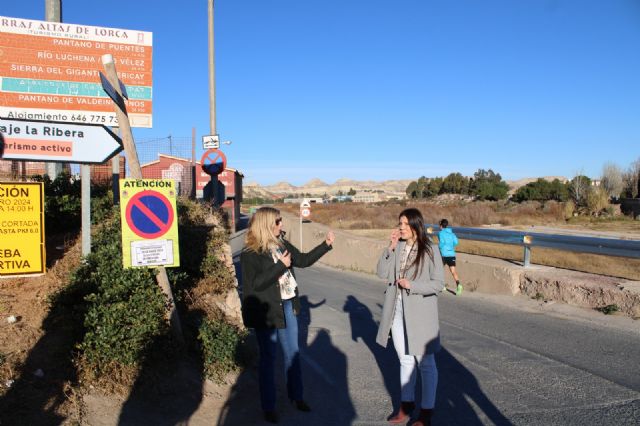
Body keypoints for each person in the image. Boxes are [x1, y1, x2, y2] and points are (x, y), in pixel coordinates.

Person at [240, 207, 335, 424]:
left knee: (293, 353)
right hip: (267, 312)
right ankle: (269, 406)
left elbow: (302, 260)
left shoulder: (281, 244)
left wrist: (326, 245)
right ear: (266, 224)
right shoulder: (250, 254)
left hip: (287, 307)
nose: (281, 225)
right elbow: (255, 285)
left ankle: (297, 396)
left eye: (281, 221)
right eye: (278, 222)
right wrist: (281, 267)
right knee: (268, 359)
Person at [376, 208, 445, 426]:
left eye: (405, 224)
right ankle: (406, 406)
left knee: (426, 362)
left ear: (416, 225)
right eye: (400, 224)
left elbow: (438, 284)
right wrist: (391, 247)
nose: (401, 228)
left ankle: (426, 412)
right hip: (396, 310)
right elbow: (381, 272)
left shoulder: (430, 249)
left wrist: (412, 285)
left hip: (421, 313)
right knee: (405, 359)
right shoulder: (398, 248)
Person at [438, 218, 463, 295]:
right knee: (453, 271)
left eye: (439, 225)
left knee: (439, 270)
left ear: (441, 225)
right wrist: (450, 246)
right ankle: (458, 284)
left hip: (444, 255)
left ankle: (442, 286)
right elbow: (456, 242)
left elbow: (442, 243)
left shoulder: (440, 233)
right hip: (452, 255)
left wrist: (438, 247)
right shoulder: (452, 234)